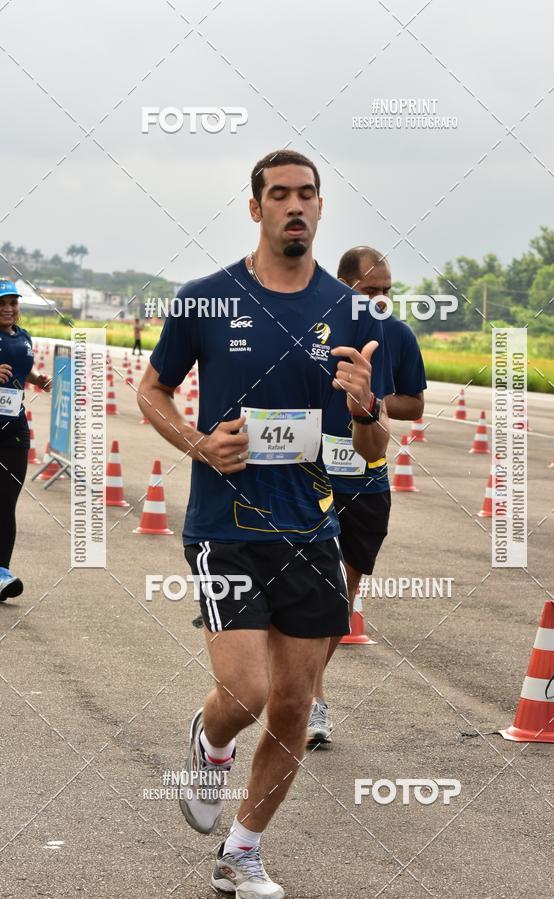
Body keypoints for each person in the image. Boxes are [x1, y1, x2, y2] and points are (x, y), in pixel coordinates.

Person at [138, 150, 393, 899]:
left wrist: (365, 409)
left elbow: (373, 449)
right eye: (278, 194)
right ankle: (212, 737)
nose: (294, 206)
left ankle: (241, 851)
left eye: (306, 194)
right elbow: (153, 390)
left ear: (321, 208)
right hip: (225, 523)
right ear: (255, 208)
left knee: (293, 700)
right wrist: (196, 443)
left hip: (314, 530)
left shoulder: (352, 313)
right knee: (246, 691)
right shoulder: (206, 300)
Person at [307, 247, 427, 745]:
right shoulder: (314, 331)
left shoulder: (397, 335)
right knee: (305, 590)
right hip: (307, 477)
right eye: (369, 290)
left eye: (386, 292)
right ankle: (311, 699)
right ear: (343, 286)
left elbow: (414, 403)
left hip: (367, 477)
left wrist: (373, 401)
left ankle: (307, 688)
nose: (379, 300)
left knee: (340, 597)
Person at [0, 280, 52, 602]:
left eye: (13, 303)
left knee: (6, 503)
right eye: (2, 303)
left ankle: (2, 572)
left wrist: (37, 379)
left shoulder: (24, 338)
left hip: (13, 428)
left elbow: (23, 369)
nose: (8, 309)